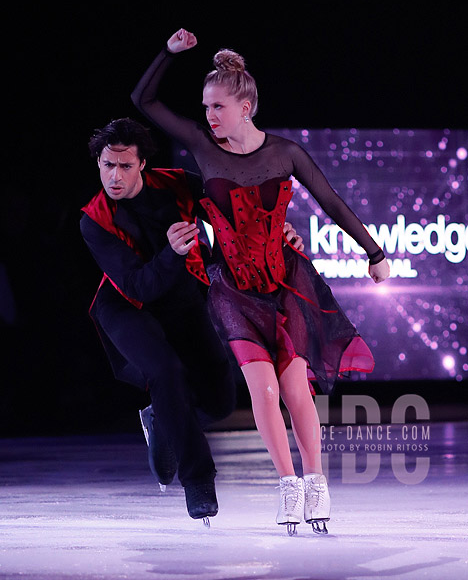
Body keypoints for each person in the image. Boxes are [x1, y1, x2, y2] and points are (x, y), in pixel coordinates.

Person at [131, 29, 390, 535]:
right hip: (234, 290)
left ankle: (316, 483)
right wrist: (167, 52)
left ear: (246, 105)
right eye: (205, 106)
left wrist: (374, 252)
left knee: (297, 391)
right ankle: (289, 486)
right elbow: (143, 100)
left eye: (218, 106)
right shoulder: (203, 147)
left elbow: (332, 203)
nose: (208, 115)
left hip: (286, 285)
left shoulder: (285, 153)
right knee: (264, 390)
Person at [80, 117, 303, 526]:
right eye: (107, 165)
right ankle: (198, 480)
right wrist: (172, 253)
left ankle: (162, 419)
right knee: (165, 372)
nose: (115, 175)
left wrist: (276, 231)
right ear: (98, 162)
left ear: (143, 164)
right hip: (127, 305)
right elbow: (138, 285)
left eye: (125, 166)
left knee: (220, 400)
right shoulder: (93, 219)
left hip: (180, 298)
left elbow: (234, 206)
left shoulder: (179, 182)